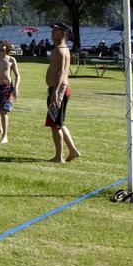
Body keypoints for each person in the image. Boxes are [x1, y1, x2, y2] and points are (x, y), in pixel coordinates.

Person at [46, 22, 80, 162]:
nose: (52, 32)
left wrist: (55, 91)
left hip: (59, 90)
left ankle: (58, 157)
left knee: (55, 125)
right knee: (59, 122)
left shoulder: (60, 50)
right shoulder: (62, 48)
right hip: (60, 89)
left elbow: (60, 72)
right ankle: (72, 151)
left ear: (63, 33)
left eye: (55, 30)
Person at [0, 40, 20, 144]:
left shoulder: (11, 59)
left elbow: (17, 75)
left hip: (7, 88)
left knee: (3, 112)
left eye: (3, 46)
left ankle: (5, 136)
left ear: (7, 48)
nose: (1, 48)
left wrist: (16, 88)